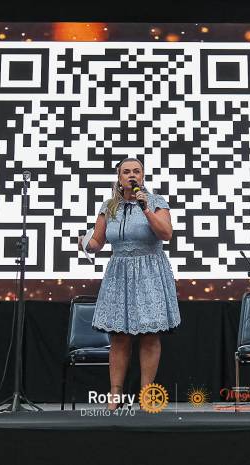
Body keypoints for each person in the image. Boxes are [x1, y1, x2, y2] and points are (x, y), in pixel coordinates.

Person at [80, 157, 180, 410]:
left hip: (149, 272)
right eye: (126, 171)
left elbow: (166, 234)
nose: (132, 175)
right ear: (119, 177)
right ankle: (115, 394)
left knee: (149, 334)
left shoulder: (155, 202)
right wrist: (86, 244)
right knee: (119, 336)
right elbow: (98, 241)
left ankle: (146, 394)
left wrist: (145, 209)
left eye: (137, 171)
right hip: (119, 273)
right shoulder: (108, 207)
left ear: (143, 176)